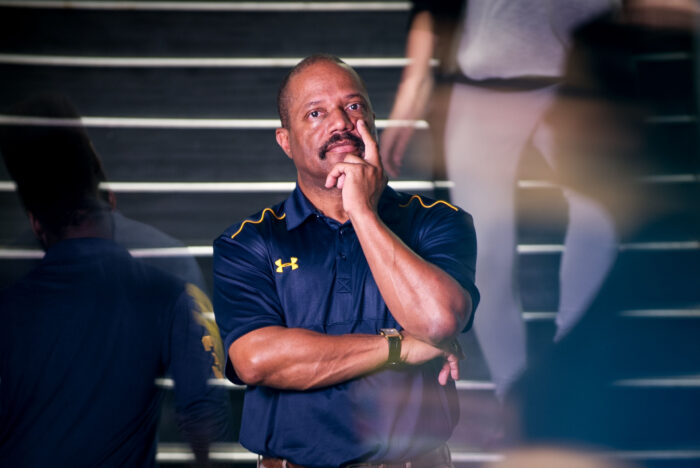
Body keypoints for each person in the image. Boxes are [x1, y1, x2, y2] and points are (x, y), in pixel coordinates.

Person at [213, 54, 480, 468]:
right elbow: (256, 360)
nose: (340, 123)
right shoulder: (249, 242)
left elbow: (438, 321)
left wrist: (363, 212)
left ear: (373, 120)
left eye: (353, 106)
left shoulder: (437, 221)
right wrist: (400, 347)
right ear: (285, 140)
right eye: (316, 112)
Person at [382, 0, 620, 398]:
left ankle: (572, 372)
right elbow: (429, 12)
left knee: (600, 219)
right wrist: (409, 98)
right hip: (483, 86)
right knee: (484, 252)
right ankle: (516, 396)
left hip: (579, 83)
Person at [0, 97, 230, 466]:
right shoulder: (168, 275)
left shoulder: (9, 288)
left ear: (34, 220)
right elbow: (204, 411)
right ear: (109, 197)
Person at [510, 8, 700, 452]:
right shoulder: (652, 259)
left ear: (627, 120)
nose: (552, 118)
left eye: (574, 93)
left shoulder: (670, 280)